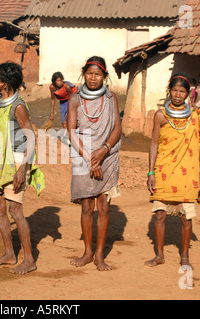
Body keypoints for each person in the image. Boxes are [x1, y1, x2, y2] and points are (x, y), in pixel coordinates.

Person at [0, 62, 45, 275]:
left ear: (5, 83)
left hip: (15, 161)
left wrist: (22, 169)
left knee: (15, 210)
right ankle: (9, 253)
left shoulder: (18, 106)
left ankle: (29, 259)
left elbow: (30, 137)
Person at [66, 56, 122, 271]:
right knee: (87, 206)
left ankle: (100, 255)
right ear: (84, 73)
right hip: (83, 155)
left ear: (104, 76)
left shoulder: (111, 98)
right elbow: (71, 131)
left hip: (107, 156)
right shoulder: (75, 99)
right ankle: (87, 253)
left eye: (98, 74)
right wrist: (91, 158)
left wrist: (103, 150)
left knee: (104, 206)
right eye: (89, 73)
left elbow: (117, 128)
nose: (93, 78)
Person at [145, 73, 200, 268]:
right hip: (164, 169)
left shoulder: (194, 116)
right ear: (169, 91)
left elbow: (197, 146)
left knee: (185, 216)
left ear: (188, 94)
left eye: (182, 91)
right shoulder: (160, 115)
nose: (178, 95)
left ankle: (185, 256)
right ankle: (159, 255)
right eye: (174, 90)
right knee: (160, 214)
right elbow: (154, 144)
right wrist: (151, 172)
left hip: (187, 171)